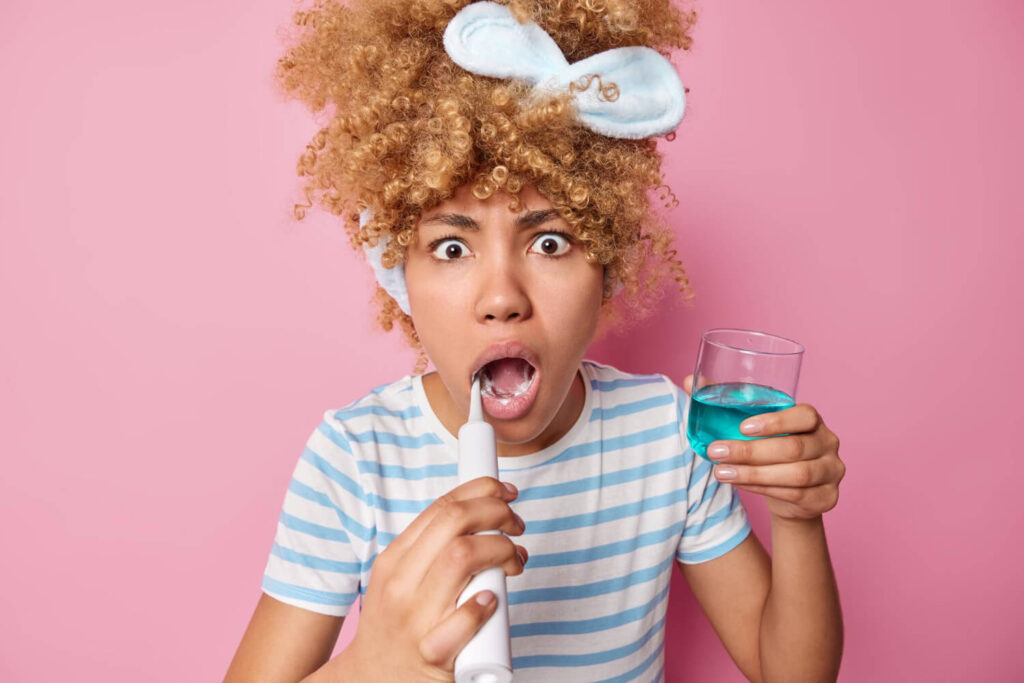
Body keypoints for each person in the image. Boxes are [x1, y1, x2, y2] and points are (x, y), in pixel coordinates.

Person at [225, 1, 846, 681]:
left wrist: (797, 516)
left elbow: (793, 673)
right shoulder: (355, 459)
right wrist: (371, 667)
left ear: (606, 266)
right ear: (399, 272)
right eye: (453, 246)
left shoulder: (665, 435)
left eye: (550, 242)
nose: (502, 298)